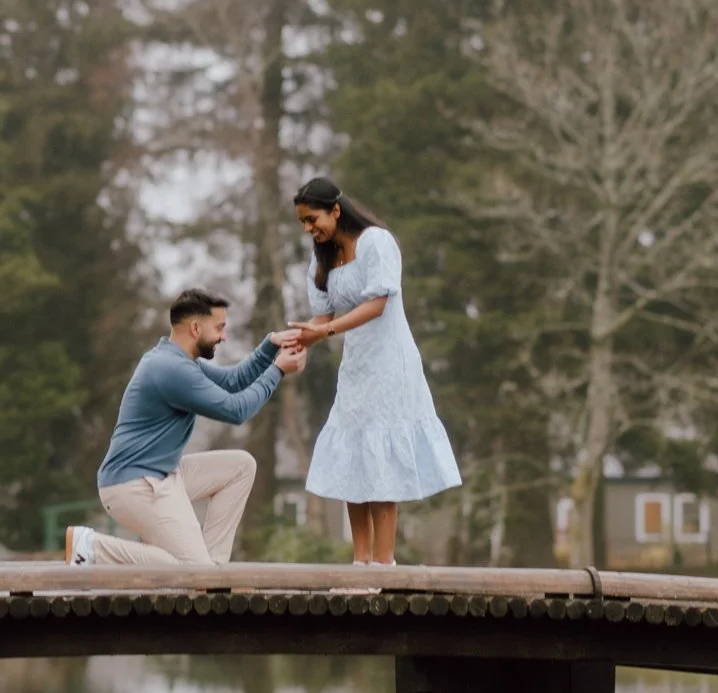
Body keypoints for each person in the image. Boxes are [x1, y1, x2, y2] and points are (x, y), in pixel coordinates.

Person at [287, 177, 460, 564]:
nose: (307, 228)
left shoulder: (376, 243)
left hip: (390, 364)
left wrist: (326, 330)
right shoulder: (323, 259)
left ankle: (384, 564)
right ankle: (360, 562)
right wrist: (297, 342)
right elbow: (321, 318)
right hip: (356, 365)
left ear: (335, 209)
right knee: (354, 456)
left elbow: (378, 303)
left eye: (311, 218)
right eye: (302, 222)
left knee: (381, 460)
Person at [68, 288, 307, 566]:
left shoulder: (178, 361)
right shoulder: (172, 370)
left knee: (241, 466)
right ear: (195, 328)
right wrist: (277, 370)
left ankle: (214, 571)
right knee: (189, 570)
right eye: (219, 328)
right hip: (133, 485)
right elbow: (236, 410)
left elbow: (233, 382)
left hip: (160, 476)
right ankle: (93, 548)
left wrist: (270, 346)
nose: (224, 336)